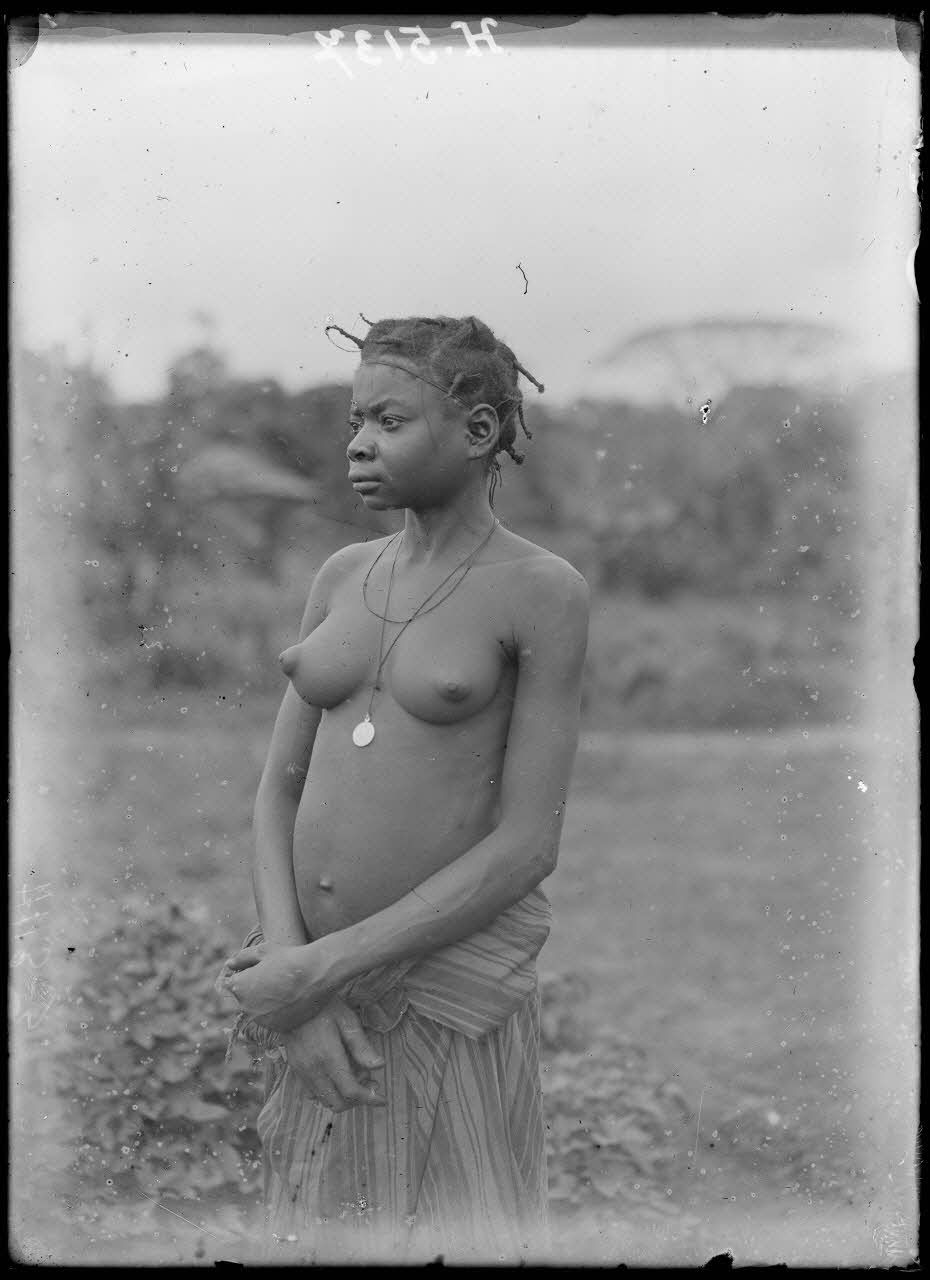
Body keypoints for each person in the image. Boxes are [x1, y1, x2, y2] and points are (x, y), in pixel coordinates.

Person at [216, 315, 589, 1263]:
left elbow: (526, 846)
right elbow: (276, 794)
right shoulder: (343, 574)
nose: (357, 443)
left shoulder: (540, 590)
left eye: (388, 420)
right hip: (313, 988)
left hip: (440, 986)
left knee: (454, 1224)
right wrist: (295, 978)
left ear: (478, 431)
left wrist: (320, 973)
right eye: (355, 421)